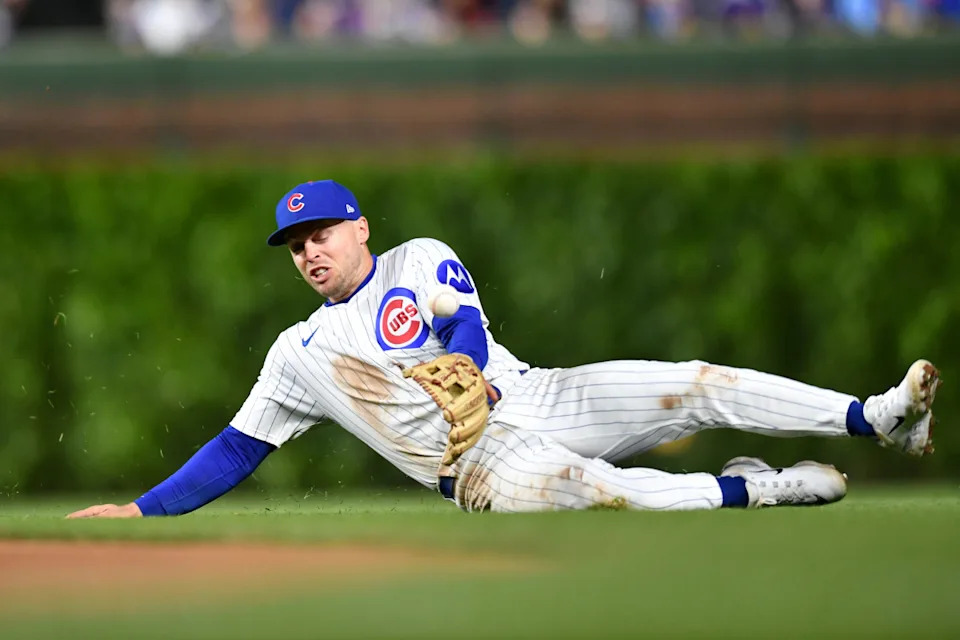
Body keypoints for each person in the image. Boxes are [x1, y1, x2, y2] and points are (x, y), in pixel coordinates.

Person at [68, 179, 941, 518]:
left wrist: (471, 371)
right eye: (296, 246)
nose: (309, 252)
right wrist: (142, 511)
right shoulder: (299, 352)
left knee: (695, 382)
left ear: (360, 227)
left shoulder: (417, 258)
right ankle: (757, 488)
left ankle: (875, 418)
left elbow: (465, 328)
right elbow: (237, 448)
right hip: (479, 466)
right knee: (599, 491)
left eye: (322, 233)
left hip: (536, 396)